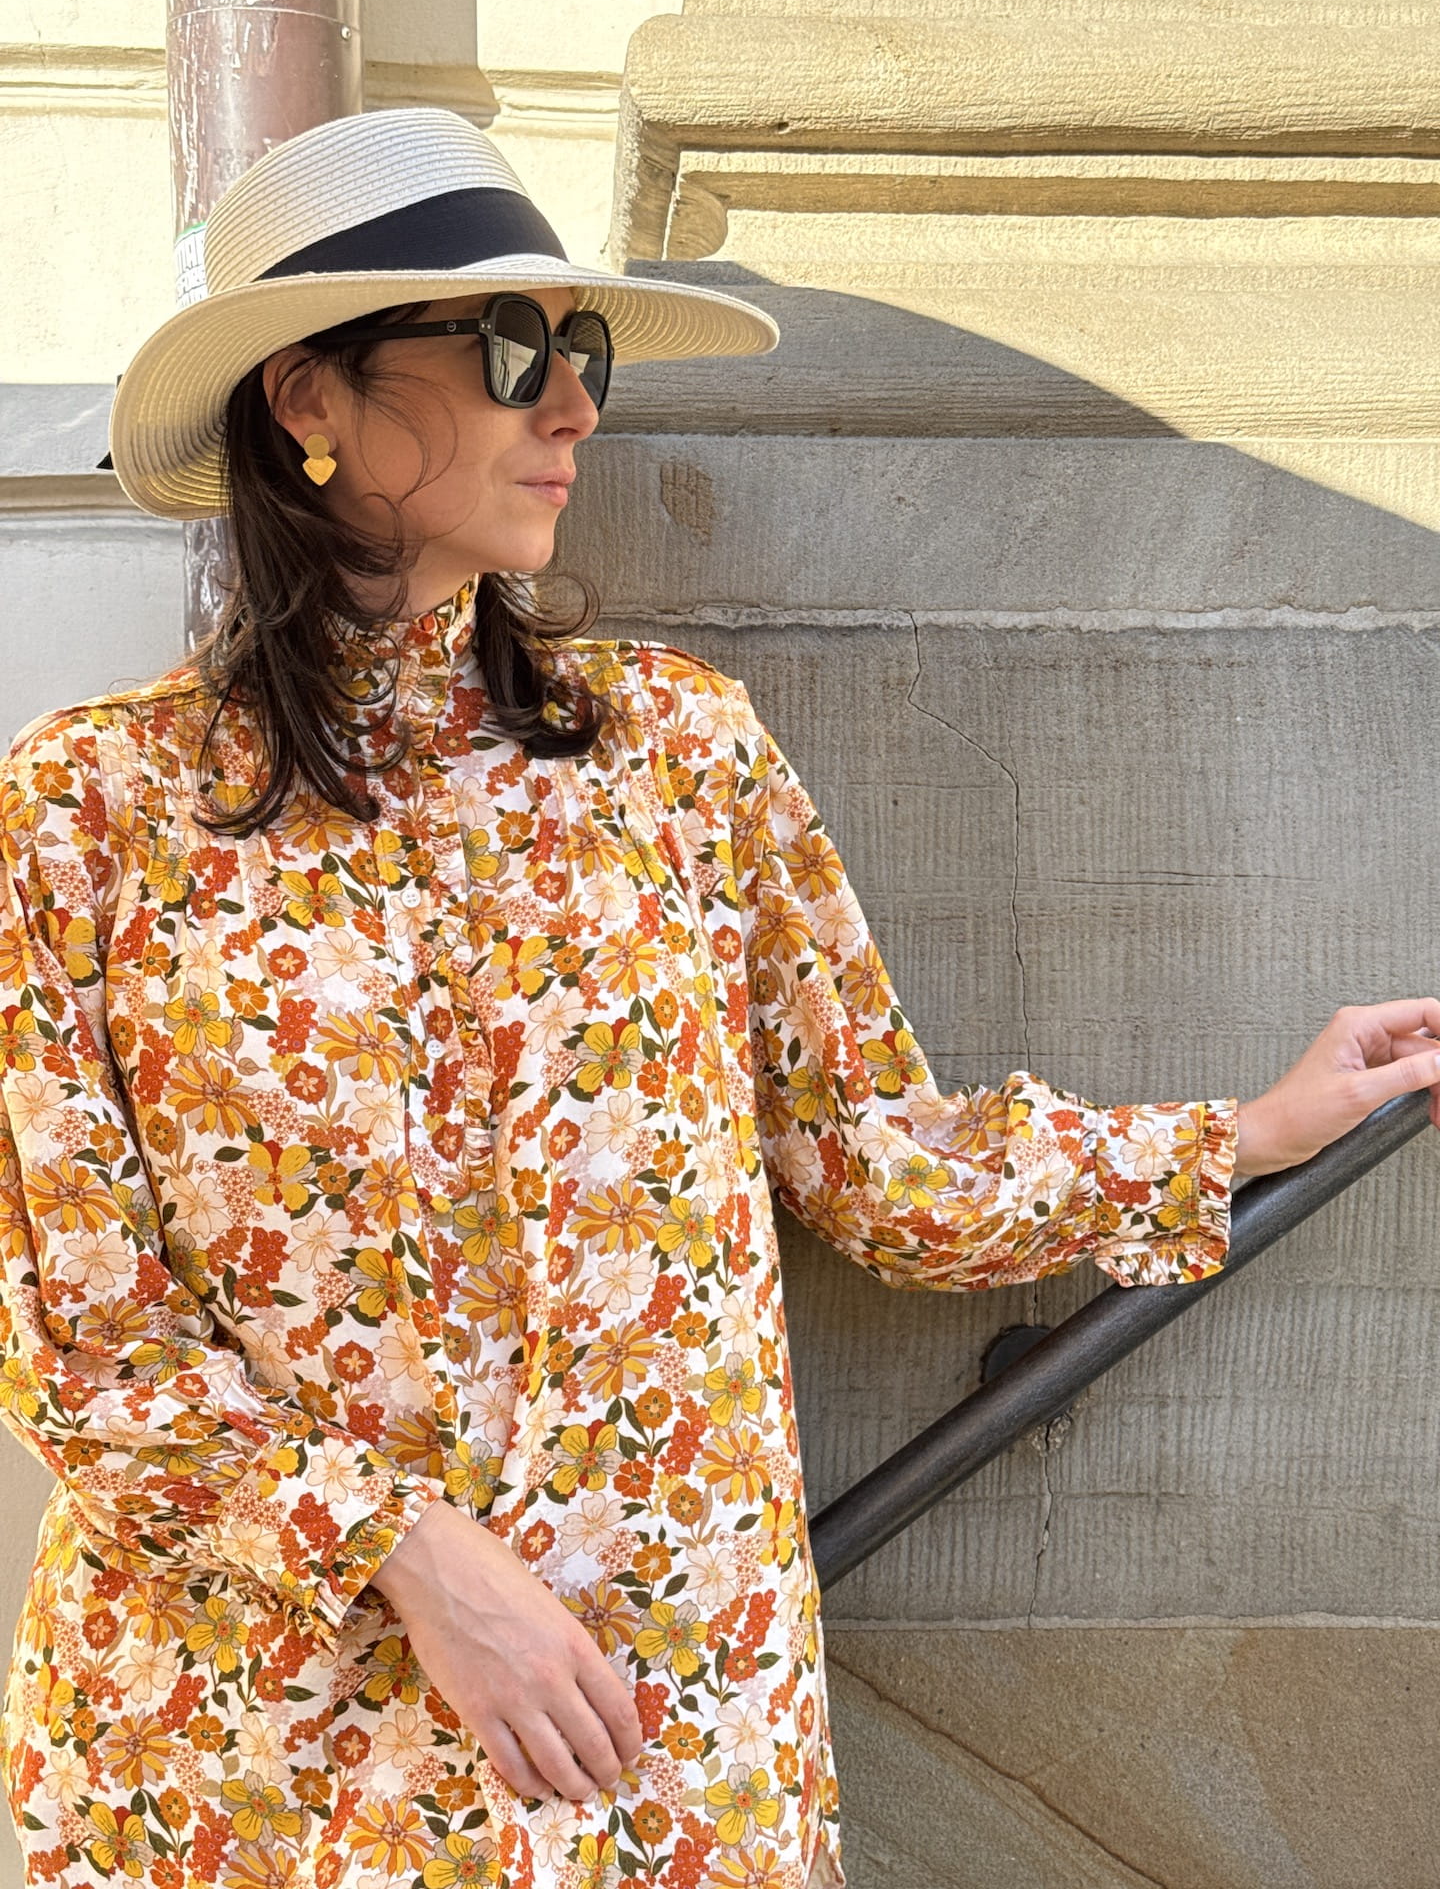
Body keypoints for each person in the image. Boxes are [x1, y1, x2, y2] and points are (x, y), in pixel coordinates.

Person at [1, 107, 1437, 1889]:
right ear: (309, 398)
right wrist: (410, 1556)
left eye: (584, 351)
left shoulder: (677, 754)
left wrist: (1248, 1134)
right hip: (250, 1755)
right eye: (513, 349)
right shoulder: (90, 810)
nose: (574, 408)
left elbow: (874, 1159)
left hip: (657, 1730)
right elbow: (80, 1340)